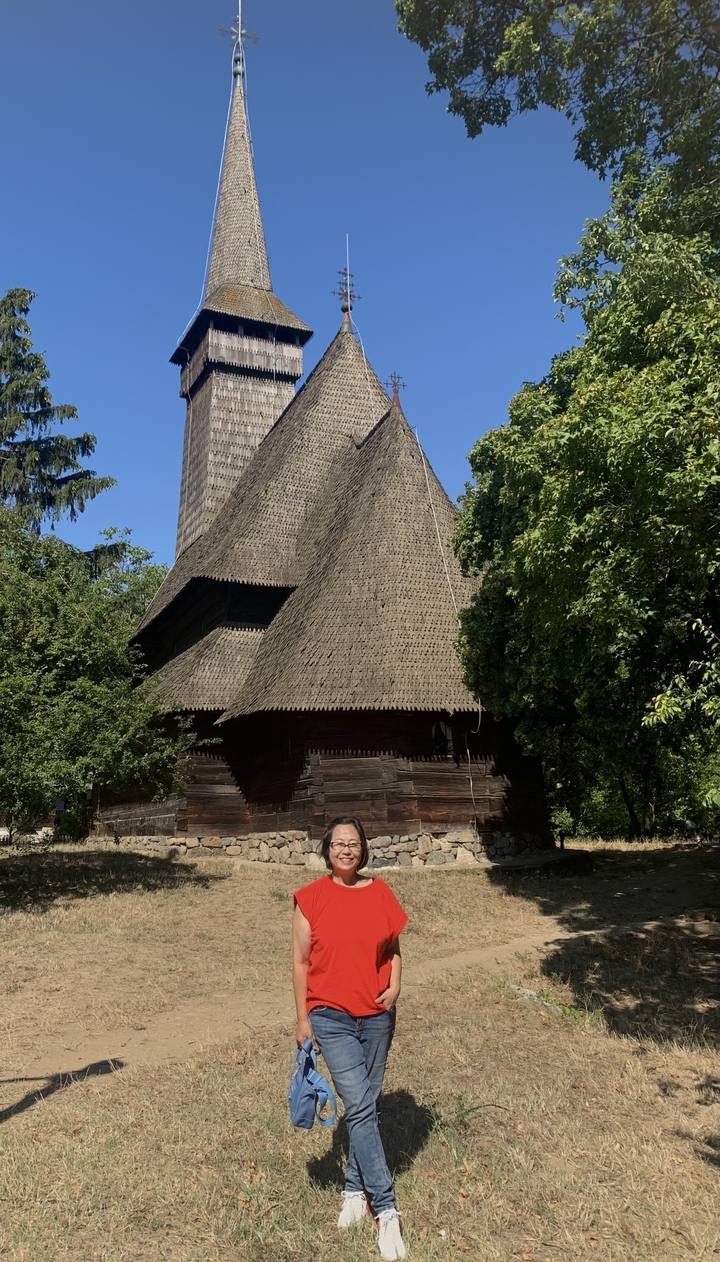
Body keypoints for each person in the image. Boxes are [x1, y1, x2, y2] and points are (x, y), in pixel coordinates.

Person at [293, 815, 408, 1261]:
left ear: (363, 850)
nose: (346, 849)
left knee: (367, 1106)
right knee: (359, 1105)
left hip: (377, 1013)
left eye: (354, 843)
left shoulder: (380, 892)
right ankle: (386, 1207)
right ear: (327, 850)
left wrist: (396, 985)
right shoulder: (311, 898)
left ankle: (354, 1190)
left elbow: (393, 947)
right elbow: (301, 963)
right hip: (330, 1015)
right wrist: (303, 1018)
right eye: (338, 843)